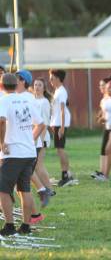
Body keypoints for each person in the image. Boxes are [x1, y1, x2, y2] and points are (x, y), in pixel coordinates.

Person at [0, 73, 44, 236]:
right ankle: (26, 226)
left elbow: (2, 121)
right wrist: (30, 140)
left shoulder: (4, 100)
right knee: (24, 189)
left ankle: (9, 225)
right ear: (16, 84)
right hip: (29, 152)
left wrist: (2, 143)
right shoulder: (27, 99)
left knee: (3, 190)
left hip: (13, 153)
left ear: (2, 86)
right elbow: (40, 124)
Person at [15, 70, 47, 222]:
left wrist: (31, 140)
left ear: (23, 81)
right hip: (23, 146)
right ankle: (34, 214)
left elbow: (40, 124)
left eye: (17, 78)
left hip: (28, 146)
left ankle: (34, 214)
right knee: (20, 184)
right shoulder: (20, 97)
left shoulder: (26, 98)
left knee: (21, 184)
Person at [49, 69, 74, 187]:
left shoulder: (61, 91)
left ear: (58, 78)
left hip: (60, 124)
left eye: (52, 78)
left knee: (60, 149)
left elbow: (63, 110)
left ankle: (66, 176)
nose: (50, 80)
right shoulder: (57, 91)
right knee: (60, 149)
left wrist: (62, 127)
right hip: (57, 123)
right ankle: (67, 174)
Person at [33, 77, 55, 204]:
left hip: (42, 137)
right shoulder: (32, 100)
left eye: (39, 85)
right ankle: (45, 188)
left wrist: (39, 140)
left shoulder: (45, 102)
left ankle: (49, 189)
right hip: (34, 137)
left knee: (38, 166)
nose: (36, 87)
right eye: (35, 84)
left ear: (44, 87)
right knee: (35, 166)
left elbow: (45, 123)